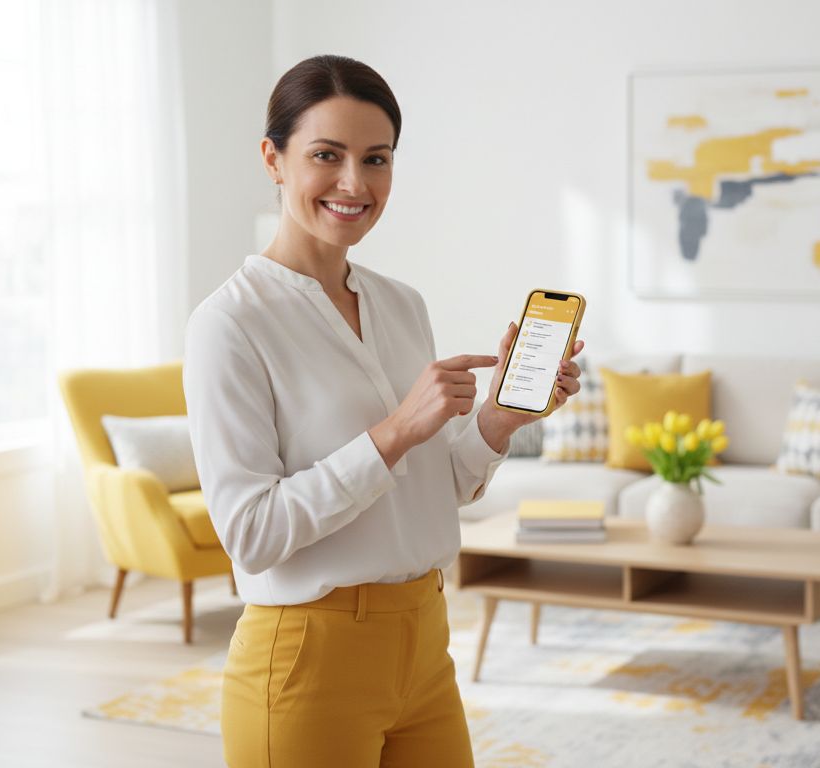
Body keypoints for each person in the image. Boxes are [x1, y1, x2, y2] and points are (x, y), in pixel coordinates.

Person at [182, 54, 583, 768]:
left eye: (377, 159)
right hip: (308, 656)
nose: (355, 184)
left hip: (425, 640)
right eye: (326, 156)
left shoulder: (402, 304)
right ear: (273, 159)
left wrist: (497, 421)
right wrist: (396, 432)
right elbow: (250, 533)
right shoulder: (229, 325)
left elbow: (436, 487)